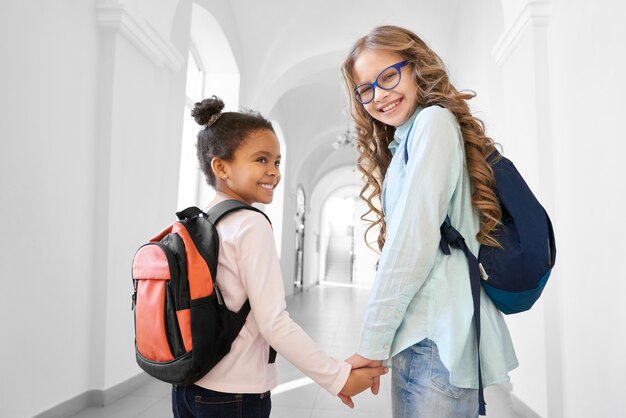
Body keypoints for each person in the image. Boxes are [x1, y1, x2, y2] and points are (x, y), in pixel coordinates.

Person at [340, 25, 519, 418]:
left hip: (432, 337)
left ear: (417, 66)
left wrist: (372, 345)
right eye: (365, 89)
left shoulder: (432, 124)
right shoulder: (410, 136)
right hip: (431, 333)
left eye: (389, 76)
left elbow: (413, 242)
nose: (379, 96)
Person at [171, 96, 388, 418]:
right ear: (221, 167)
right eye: (261, 160)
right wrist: (338, 377)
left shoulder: (201, 221)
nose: (273, 172)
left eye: (277, 162)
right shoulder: (250, 223)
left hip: (189, 385)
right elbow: (274, 323)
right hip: (235, 393)